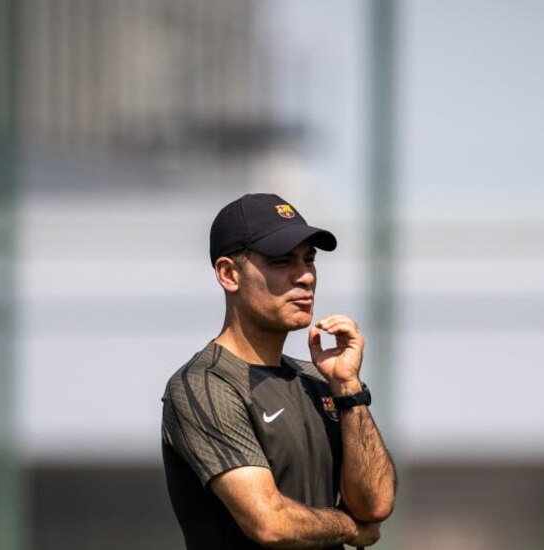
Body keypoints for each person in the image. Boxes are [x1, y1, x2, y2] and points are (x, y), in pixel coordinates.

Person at [161, 193, 397, 549]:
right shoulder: (205, 385)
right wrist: (348, 528)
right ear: (229, 274)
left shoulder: (321, 383)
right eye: (282, 261)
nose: (304, 276)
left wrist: (349, 388)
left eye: (309, 260)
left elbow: (375, 505)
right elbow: (270, 522)